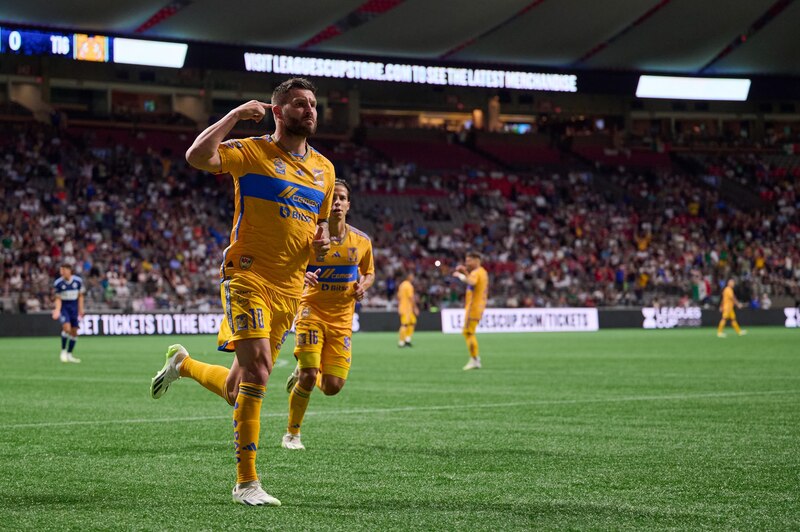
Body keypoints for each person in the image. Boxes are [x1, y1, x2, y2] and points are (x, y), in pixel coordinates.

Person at [148, 77, 334, 507]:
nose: (309, 110)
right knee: (261, 370)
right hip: (247, 275)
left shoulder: (325, 169)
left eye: (313, 104)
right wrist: (233, 116)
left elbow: (317, 229)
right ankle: (246, 483)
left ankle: (184, 364)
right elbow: (197, 156)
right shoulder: (252, 150)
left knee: (239, 388)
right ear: (277, 111)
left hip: (290, 288)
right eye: (299, 104)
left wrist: (318, 244)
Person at [282, 178, 374, 450]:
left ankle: (303, 372)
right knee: (310, 375)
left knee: (333, 386)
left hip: (342, 319)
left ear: (348, 204)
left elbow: (369, 273)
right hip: (311, 311)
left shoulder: (362, 241)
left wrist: (362, 287)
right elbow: (289, 266)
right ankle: (292, 434)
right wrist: (302, 274)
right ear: (325, 203)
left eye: (342, 198)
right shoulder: (310, 236)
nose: (337, 202)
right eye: (333, 197)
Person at [453, 251, 489, 370]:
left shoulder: (476, 272)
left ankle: (474, 359)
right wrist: (465, 272)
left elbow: (471, 282)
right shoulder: (482, 272)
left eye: (469, 260)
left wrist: (460, 276)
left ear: (476, 260)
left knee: (468, 332)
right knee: (469, 332)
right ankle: (475, 359)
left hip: (473, 307)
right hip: (478, 306)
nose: (466, 262)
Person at [51, 263, 84, 363]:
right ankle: (63, 351)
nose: (61, 272)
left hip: (74, 309)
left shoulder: (78, 281)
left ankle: (70, 354)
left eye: (63, 270)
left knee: (74, 332)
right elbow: (57, 298)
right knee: (66, 328)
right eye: (61, 270)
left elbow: (81, 296)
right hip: (64, 309)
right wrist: (57, 310)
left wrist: (81, 309)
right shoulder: (58, 283)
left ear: (69, 270)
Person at [396, 271, 419, 347]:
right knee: (404, 324)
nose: (413, 277)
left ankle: (407, 339)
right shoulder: (409, 286)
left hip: (403, 307)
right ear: (408, 277)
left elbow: (398, 297)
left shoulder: (401, 285)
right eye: (412, 276)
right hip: (407, 308)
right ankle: (401, 342)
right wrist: (415, 308)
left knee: (413, 322)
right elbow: (411, 298)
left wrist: (399, 306)